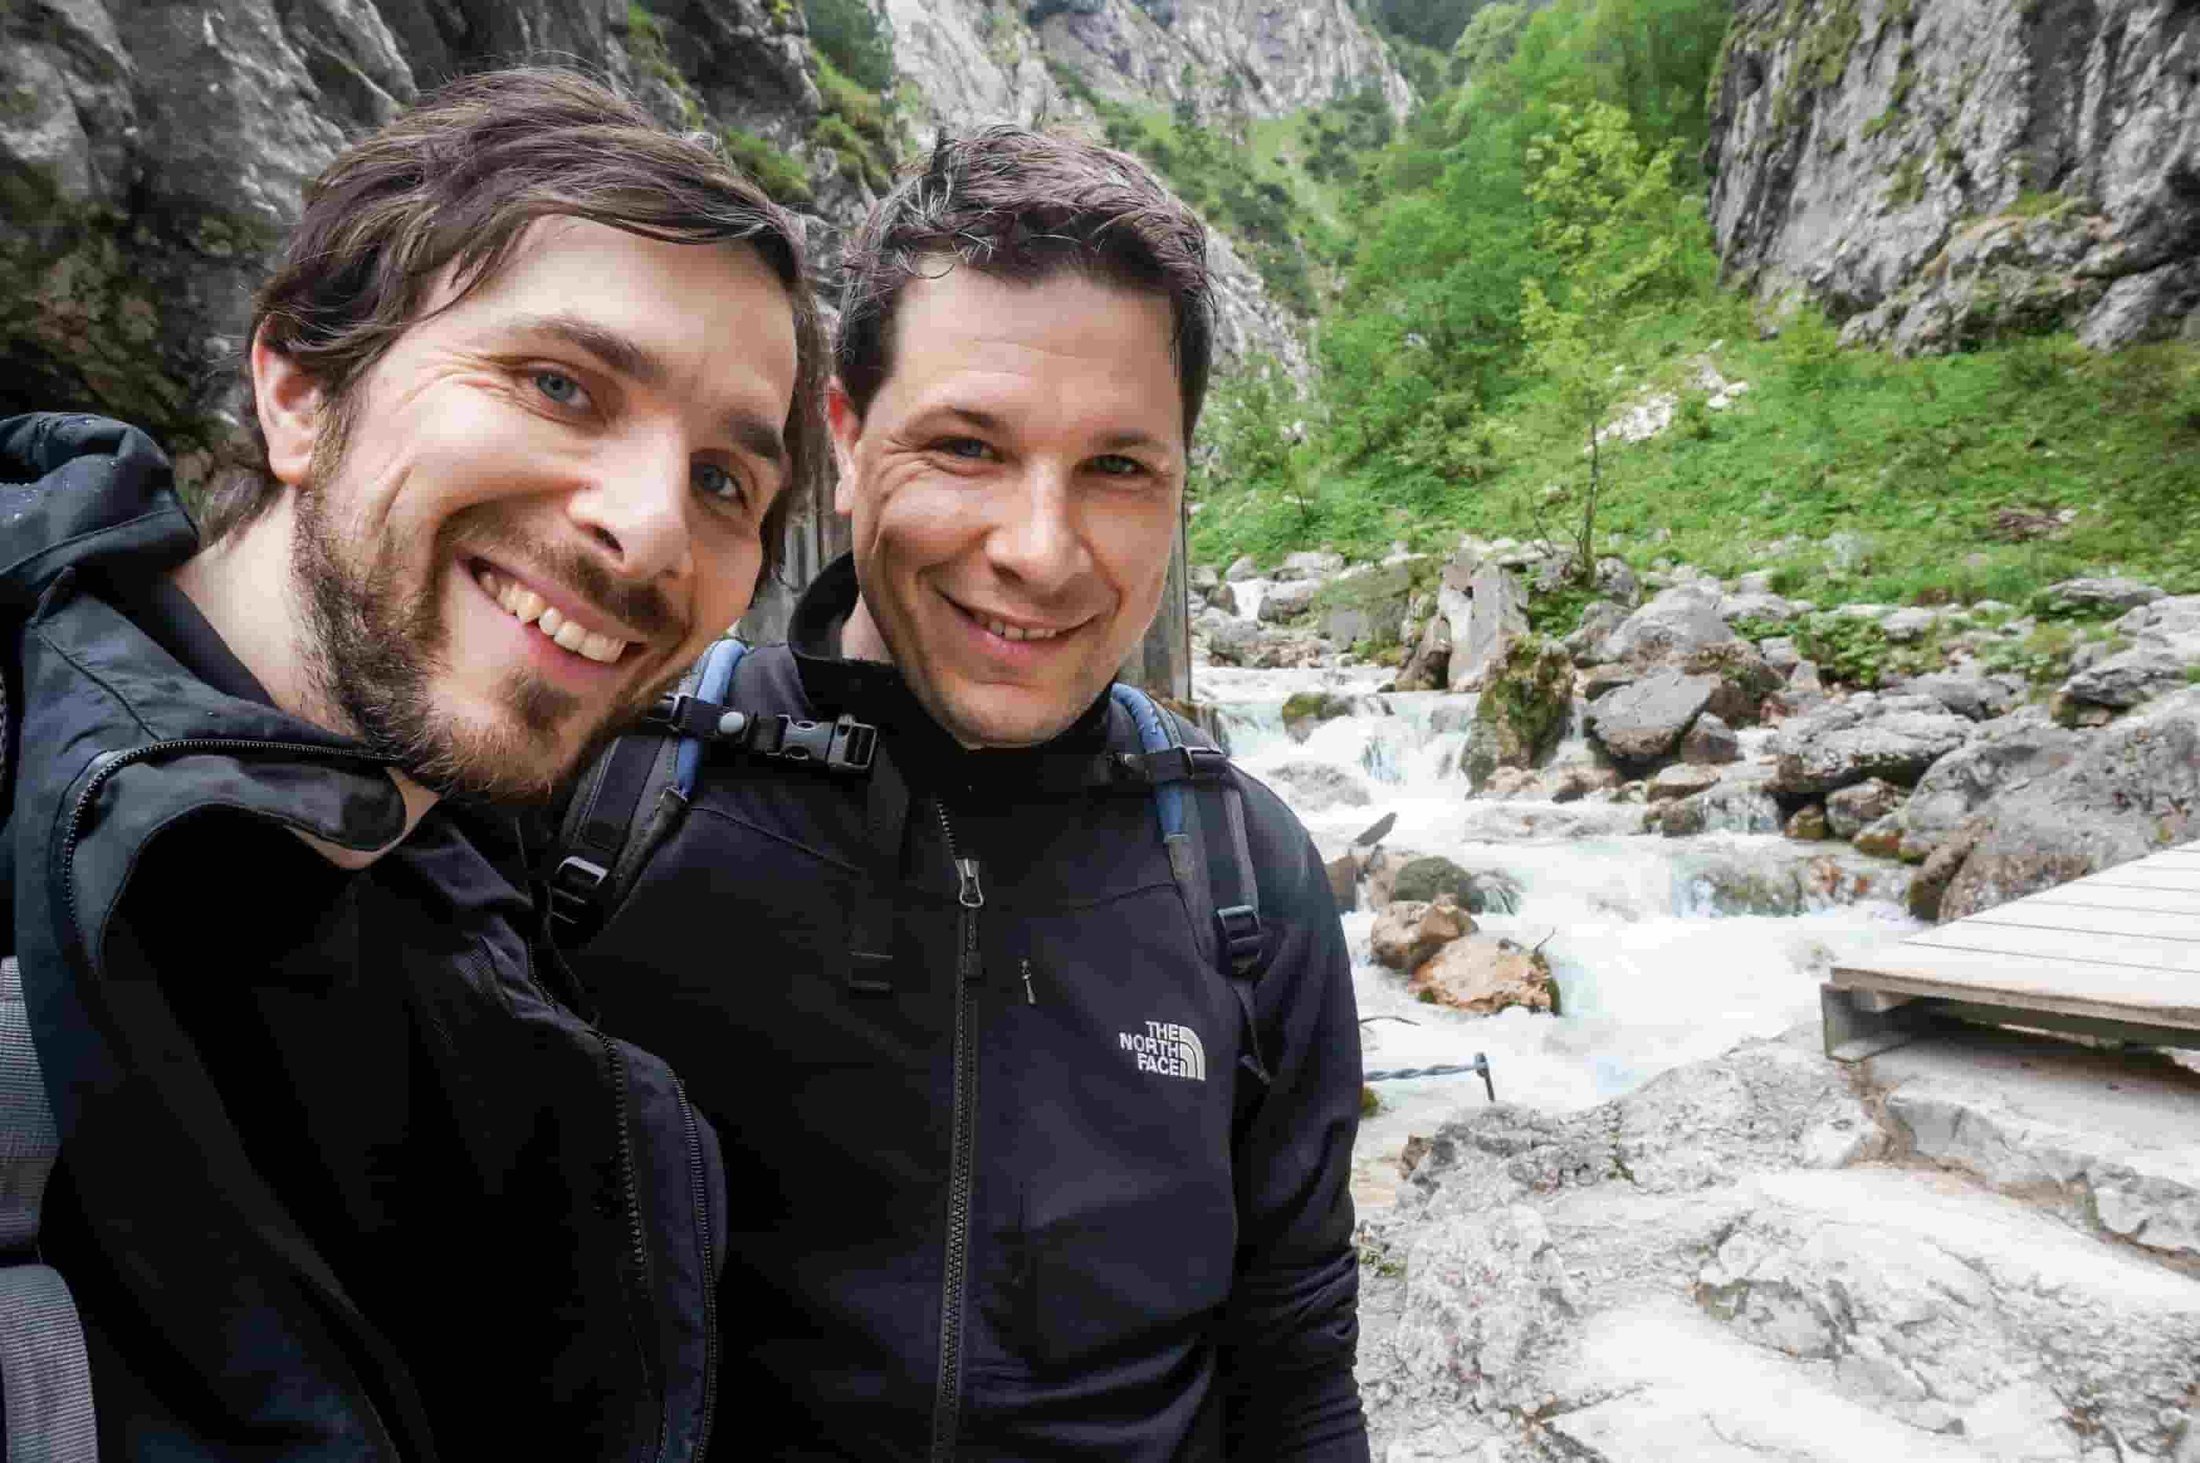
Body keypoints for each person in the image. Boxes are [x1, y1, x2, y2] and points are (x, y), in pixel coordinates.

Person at [0, 68, 823, 1459]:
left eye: (724, 483)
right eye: (559, 384)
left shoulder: (484, 942)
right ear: (301, 391)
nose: (650, 532)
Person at [565, 128, 1370, 1459]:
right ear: (845, 434)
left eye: (1118, 468)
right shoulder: (616, 796)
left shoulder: (1243, 875)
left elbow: (1293, 1364)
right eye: (968, 447)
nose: (1040, 554)